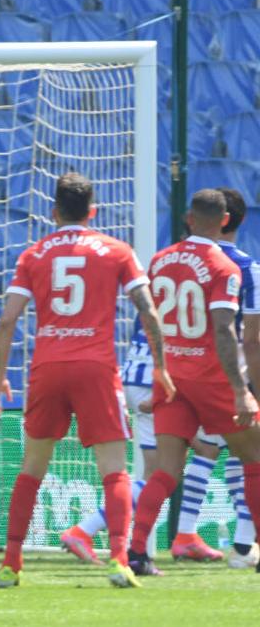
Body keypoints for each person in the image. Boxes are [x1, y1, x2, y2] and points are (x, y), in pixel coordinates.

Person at [0, 172, 168, 589]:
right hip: (96, 368)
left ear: (54, 212)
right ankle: (120, 560)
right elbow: (147, 309)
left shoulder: (33, 254)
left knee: (32, 467)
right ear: (93, 211)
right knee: (114, 470)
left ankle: (11, 563)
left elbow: (6, 320)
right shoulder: (116, 251)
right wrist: (161, 366)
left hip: (48, 368)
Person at [127, 189, 260, 577]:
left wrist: (159, 369)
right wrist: (240, 391)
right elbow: (224, 330)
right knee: (254, 458)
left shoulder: (160, 260)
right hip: (210, 376)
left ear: (188, 218)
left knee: (166, 469)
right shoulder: (225, 267)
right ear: (224, 221)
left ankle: (137, 553)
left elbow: (149, 319)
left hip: (172, 377)